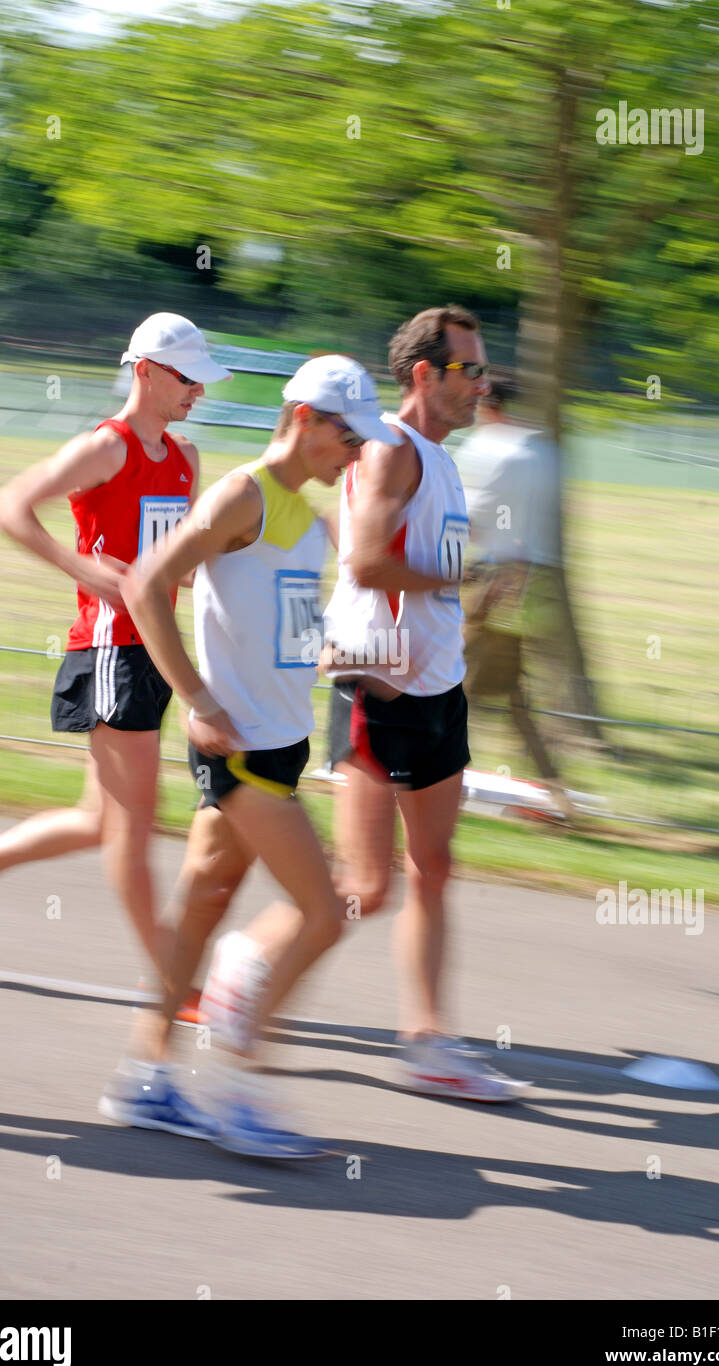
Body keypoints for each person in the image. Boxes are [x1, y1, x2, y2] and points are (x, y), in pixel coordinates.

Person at [98, 355, 400, 1157]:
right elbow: (145, 588)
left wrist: (344, 660)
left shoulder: (306, 517)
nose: (357, 452)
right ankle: (237, 1092)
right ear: (303, 418)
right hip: (241, 757)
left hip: (280, 744)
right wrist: (197, 700)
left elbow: (283, 628)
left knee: (200, 904)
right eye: (347, 434)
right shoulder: (242, 495)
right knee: (327, 913)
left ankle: (147, 1079)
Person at [0, 312, 227, 1022]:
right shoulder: (106, 447)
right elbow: (9, 506)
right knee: (132, 832)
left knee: (99, 821)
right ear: (146, 371)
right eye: (188, 378)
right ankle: (172, 981)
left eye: (202, 381)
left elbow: (166, 561)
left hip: (150, 649)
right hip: (109, 652)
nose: (198, 393)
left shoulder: (184, 458)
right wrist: (83, 570)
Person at [322, 306, 529, 1102]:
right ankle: (247, 969)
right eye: (469, 370)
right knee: (365, 888)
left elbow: (424, 568)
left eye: (481, 371)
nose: (483, 384)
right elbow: (368, 562)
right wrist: (459, 581)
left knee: (435, 869)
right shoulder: (389, 453)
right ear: (424, 375)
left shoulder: (440, 459)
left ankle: (429, 1043)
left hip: (437, 687)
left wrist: (470, 588)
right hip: (379, 685)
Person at [456, 366, 574, 818]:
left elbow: (468, 521)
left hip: (497, 581)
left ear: (485, 401)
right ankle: (555, 789)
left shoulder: (486, 447)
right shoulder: (544, 450)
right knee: (510, 694)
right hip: (539, 582)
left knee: (455, 683)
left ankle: (434, 777)